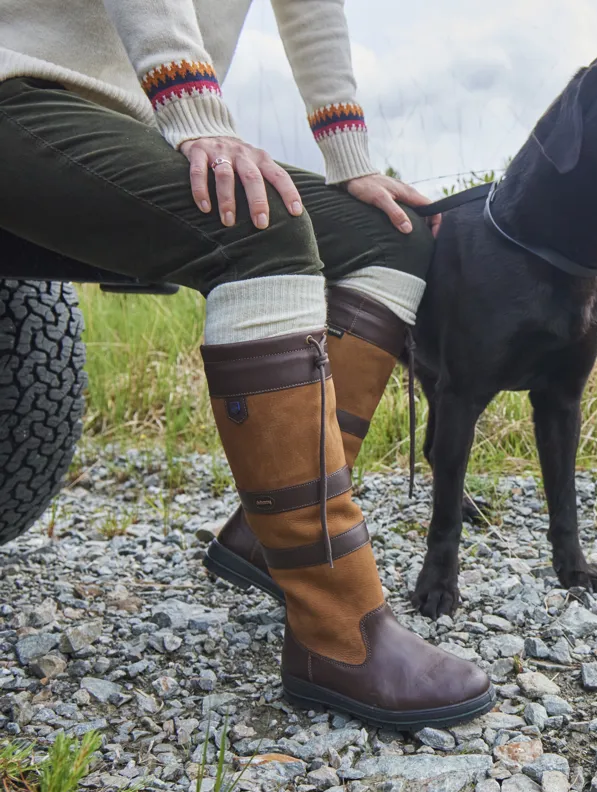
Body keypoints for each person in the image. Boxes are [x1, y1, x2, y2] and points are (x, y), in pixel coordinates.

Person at [0, 0, 493, 728]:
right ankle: (338, 628)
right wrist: (197, 112)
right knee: (261, 227)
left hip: (126, 126)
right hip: (20, 90)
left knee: (391, 236)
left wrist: (351, 162)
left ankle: (270, 539)